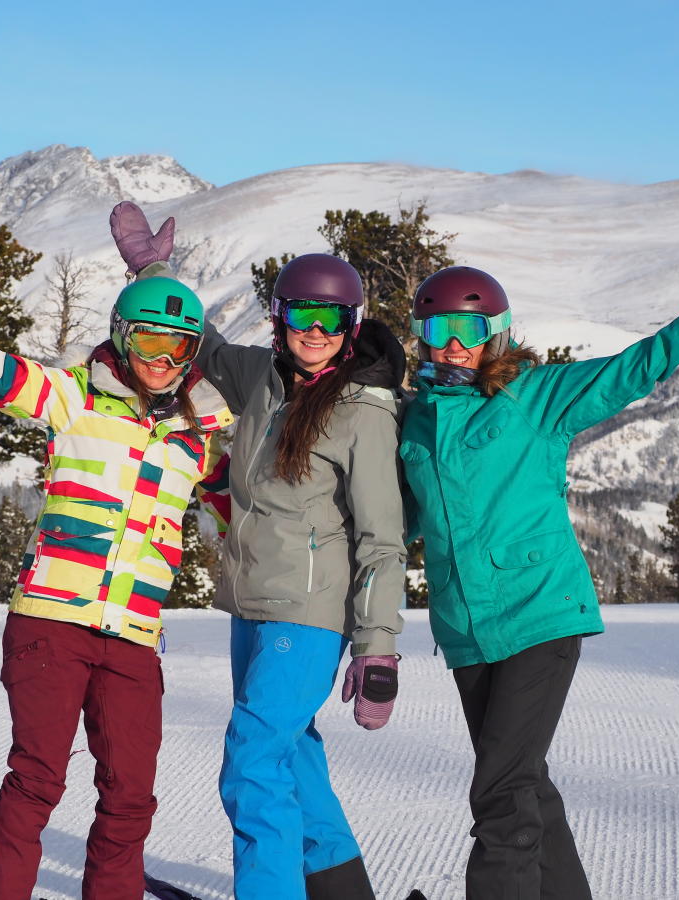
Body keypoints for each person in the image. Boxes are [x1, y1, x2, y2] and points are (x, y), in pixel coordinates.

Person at [0, 222, 233, 900]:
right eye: (150, 338)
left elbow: (251, 509)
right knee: (38, 779)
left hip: (133, 639)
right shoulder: (74, 399)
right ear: (123, 334)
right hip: (51, 623)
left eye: (178, 344)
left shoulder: (198, 439)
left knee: (131, 799)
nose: (162, 357)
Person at [400, 259, 679, 899]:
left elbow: (637, 367)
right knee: (522, 785)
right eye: (439, 328)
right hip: (467, 628)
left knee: (499, 793)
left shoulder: (536, 397)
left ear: (495, 331)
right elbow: (398, 518)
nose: (455, 344)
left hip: (539, 612)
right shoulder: (414, 421)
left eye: (469, 327)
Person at [110, 203, 408, 900]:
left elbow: (383, 539)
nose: (312, 332)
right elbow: (202, 343)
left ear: (351, 327)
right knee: (292, 758)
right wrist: (151, 268)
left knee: (250, 764)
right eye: (300, 316)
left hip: (308, 615)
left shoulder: (364, 412)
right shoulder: (262, 380)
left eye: (328, 320)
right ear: (278, 320)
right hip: (253, 607)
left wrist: (378, 645)